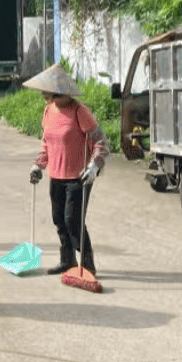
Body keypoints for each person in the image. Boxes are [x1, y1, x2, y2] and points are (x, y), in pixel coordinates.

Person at [24, 64, 110, 277]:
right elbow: (47, 143)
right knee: (58, 219)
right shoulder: (48, 111)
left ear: (57, 91)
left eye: (46, 90)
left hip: (79, 176)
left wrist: (94, 165)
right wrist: (38, 166)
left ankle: (87, 264)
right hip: (57, 175)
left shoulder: (79, 111)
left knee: (73, 220)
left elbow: (101, 141)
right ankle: (67, 260)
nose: (43, 94)